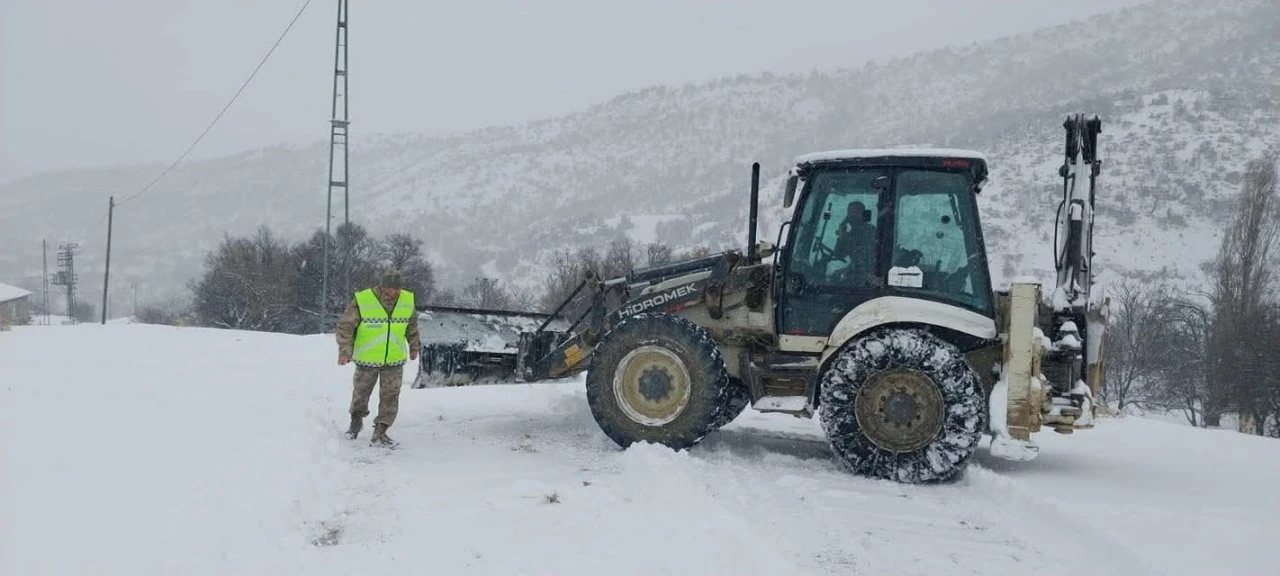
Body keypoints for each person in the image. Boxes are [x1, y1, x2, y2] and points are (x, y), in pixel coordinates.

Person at [335, 268, 420, 446]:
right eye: (392, 289)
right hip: (368, 358)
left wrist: (414, 345)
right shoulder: (363, 300)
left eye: (398, 288)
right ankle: (356, 422)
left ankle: (380, 431)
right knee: (361, 393)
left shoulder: (406, 300)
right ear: (383, 287)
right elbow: (346, 326)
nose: (396, 292)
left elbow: (411, 325)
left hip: (394, 359)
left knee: (391, 396)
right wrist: (345, 351)